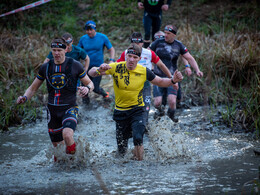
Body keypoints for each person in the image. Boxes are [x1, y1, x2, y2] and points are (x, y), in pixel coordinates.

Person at [88, 44, 183, 161]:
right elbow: (91, 72)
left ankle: (140, 168)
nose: (131, 60)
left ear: (139, 59)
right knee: (122, 150)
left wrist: (173, 80)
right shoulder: (116, 67)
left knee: (138, 138)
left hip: (138, 110)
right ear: (125, 56)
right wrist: (99, 69)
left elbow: (160, 81)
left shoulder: (144, 71)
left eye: (134, 57)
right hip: (120, 111)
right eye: (129, 56)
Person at [17, 38, 94, 161]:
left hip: (70, 108)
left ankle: (75, 162)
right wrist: (24, 97)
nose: (56, 53)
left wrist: (87, 89)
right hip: (52, 111)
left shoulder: (75, 65)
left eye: (59, 50)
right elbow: (32, 88)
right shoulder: (46, 67)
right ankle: (63, 165)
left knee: (67, 135)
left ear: (66, 50)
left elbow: (90, 83)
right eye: (54, 50)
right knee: (58, 151)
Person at [149, 24, 203, 122]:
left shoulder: (178, 45)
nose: (165, 35)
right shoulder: (157, 43)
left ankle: (171, 119)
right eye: (165, 33)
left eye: (168, 33)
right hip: (158, 76)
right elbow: (146, 54)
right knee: (157, 103)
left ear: (174, 35)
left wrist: (197, 70)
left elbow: (189, 58)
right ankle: (160, 114)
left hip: (172, 77)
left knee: (172, 101)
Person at [117, 32, 172, 127]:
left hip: (145, 84)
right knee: (130, 108)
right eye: (134, 43)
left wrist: (171, 78)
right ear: (131, 43)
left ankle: (144, 127)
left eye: (138, 43)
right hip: (130, 85)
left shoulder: (149, 53)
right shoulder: (126, 53)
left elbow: (161, 65)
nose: (136, 45)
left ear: (142, 43)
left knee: (145, 107)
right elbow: (116, 67)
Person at [78, 20, 115, 101]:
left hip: (98, 67)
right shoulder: (83, 39)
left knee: (95, 88)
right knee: (84, 89)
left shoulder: (102, 37)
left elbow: (111, 49)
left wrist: (111, 60)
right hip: (86, 67)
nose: (89, 32)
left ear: (95, 29)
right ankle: (86, 107)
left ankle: (105, 95)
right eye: (87, 30)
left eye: (91, 29)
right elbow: (78, 52)